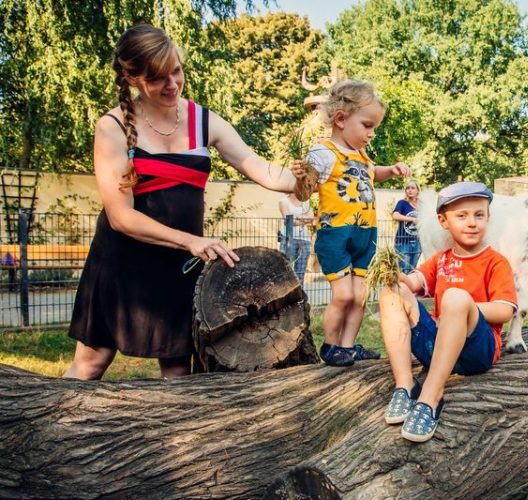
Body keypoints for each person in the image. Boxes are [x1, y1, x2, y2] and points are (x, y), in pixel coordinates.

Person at [64, 24, 310, 380]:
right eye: (158, 78)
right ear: (132, 78)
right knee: (91, 364)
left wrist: (300, 180)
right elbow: (120, 217)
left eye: (176, 71)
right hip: (122, 264)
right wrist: (193, 241)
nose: (172, 85)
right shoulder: (113, 126)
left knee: (179, 370)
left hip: (180, 266)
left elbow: (254, 164)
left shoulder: (201, 119)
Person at [378, 182, 518, 442]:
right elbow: (413, 283)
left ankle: (431, 397)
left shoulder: (496, 262)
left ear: (488, 217)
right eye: (461, 216)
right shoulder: (441, 260)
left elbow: (504, 311)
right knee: (391, 291)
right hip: (438, 345)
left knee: (455, 297)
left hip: (477, 351)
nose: (472, 223)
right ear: (443, 220)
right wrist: (393, 274)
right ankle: (405, 385)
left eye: (479, 215)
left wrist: (462, 311)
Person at [306, 80, 411, 367]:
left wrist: (391, 170)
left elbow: (372, 173)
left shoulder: (361, 155)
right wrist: (301, 179)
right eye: (367, 125)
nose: (371, 133)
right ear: (341, 119)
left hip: (366, 233)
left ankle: (348, 346)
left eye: (374, 127)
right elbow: (304, 186)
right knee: (343, 295)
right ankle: (330, 346)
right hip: (336, 233)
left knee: (361, 295)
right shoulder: (323, 153)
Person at [278, 192, 314, 283]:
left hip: (304, 239)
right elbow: (288, 220)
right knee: (286, 271)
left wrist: (297, 218)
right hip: (288, 239)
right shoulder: (283, 201)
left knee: (300, 273)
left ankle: (299, 296)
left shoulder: (306, 201)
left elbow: (311, 218)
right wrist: (304, 220)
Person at [392, 179, 421, 273]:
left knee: (413, 270)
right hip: (403, 241)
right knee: (403, 270)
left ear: (417, 190)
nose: (410, 190)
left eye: (413, 188)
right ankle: (403, 288)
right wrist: (413, 219)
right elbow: (395, 215)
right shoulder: (402, 203)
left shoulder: (422, 204)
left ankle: (410, 287)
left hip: (417, 242)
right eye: (408, 188)